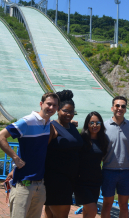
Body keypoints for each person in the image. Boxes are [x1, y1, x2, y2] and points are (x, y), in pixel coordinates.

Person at [0, 92, 59, 218]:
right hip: (24, 184)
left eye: (54, 105)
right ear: (41, 104)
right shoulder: (27, 121)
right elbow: (0, 137)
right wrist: (15, 158)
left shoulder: (48, 124)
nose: (51, 108)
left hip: (39, 185)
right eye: (49, 104)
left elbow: (54, 132)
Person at [44, 90, 84, 218]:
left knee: (50, 214)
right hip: (56, 180)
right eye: (65, 111)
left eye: (71, 111)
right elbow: (41, 149)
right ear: (58, 110)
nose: (69, 114)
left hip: (70, 179)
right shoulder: (52, 127)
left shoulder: (72, 127)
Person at [101, 96, 129, 218]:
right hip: (108, 170)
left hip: (126, 171)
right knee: (107, 204)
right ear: (112, 108)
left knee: (124, 205)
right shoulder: (104, 126)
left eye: (123, 106)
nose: (120, 108)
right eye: (117, 105)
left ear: (126, 109)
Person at [74, 111, 109, 218]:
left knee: (87, 211)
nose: (95, 125)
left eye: (98, 123)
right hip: (81, 181)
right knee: (93, 210)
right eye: (91, 123)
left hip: (96, 181)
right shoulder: (81, 139)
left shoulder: (103, 140)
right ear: (87, 124)